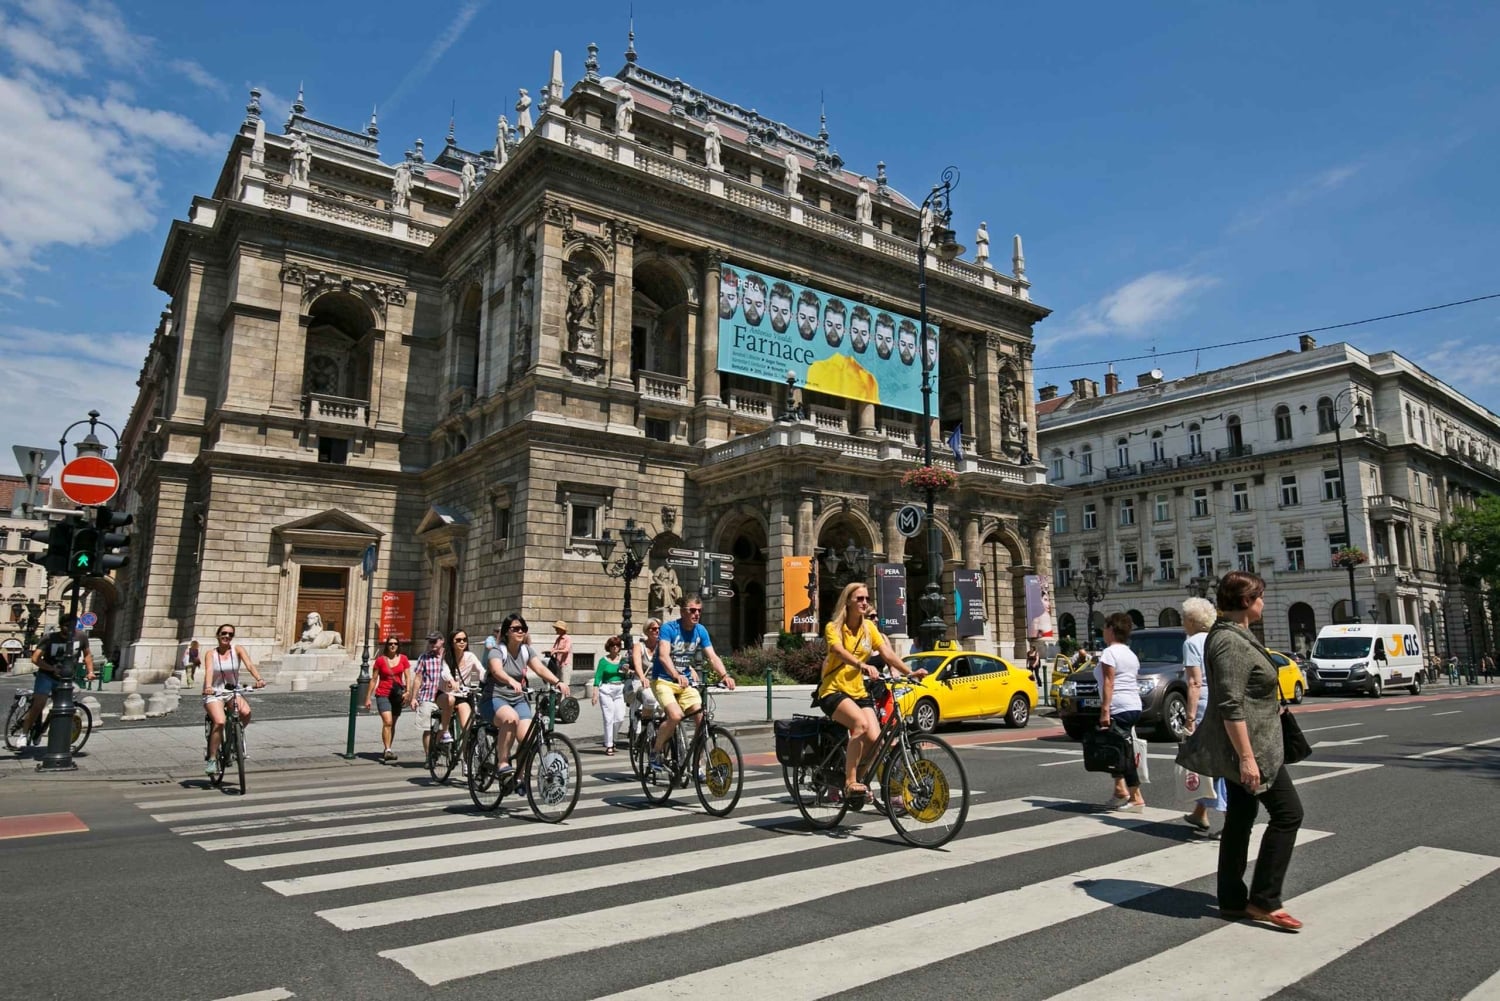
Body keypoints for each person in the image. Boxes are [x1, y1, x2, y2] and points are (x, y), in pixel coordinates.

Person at [1177, 571, 1305, 931]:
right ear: (1247, 601)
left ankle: (1233, 900)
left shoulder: (1236, 634)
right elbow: (1230, 704)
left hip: (1253, 742)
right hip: (1251, 748)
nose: (1263, 602)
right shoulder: (1229, 641)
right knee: (1288, 813)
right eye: (1260, 596)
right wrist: (1247, 758)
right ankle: (1264, 899)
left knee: (1240, 818)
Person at [816, 582, 923, 804]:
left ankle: (860, 782)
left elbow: (887, 654)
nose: (864, 602)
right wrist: (861, 665)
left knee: (876, 741)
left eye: (866, 598)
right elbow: (838, 650)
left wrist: (910, 672)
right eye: (859, 599)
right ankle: (850, 781)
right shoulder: (833, 627)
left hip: (858, 691)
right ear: (848, 601)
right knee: (860, 725)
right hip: (833, 690)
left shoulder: (869, 628)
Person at [649, 595, 736, 771]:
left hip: (685, 683)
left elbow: (712, 657)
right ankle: (655, 752)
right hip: (663, 680)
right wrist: (675, 674)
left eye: (699, 611)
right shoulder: (669, 628)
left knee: (702, 720)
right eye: (692, 610)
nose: (696, 614)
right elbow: (663, 656)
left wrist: (725, 675)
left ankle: (697, 763)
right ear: (683, 612)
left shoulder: (700, 630)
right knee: (675, 716)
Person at [483, 614, 568, 775]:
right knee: (511, 719)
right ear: (507, 631)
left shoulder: (525, 650)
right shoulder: (497, 650)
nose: (521, 631)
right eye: (516, 629)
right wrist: (510, 680)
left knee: (528, 737)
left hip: (518, 699)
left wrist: (557, 682)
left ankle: (519, 776)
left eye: (523, 628)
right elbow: (496, 670)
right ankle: (502, 763)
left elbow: (540, 668)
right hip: (495, 698)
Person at [11, 614, 95, 748]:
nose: (70, 629)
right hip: (46, 675)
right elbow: (35, 658)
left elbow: (87, 654)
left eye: (73, 626)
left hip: (66, 678)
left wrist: (90, 671)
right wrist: (52, 669)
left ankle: (44, 730)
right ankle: (24, 735)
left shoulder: (81, 637)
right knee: (39, 704)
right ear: (61, 626)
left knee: (64, 706)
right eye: (66, 626)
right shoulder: (49, 638)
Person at [1181, 596, 1227, 833]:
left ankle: (1230, 821)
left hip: (1204, 706)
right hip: (1222, 701)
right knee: (1214, 759)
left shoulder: (1191, 643)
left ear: (1191, 620)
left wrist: (1190, 718)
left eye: (1184, 618)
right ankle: (1200, 813)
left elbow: (1195, 682)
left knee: (1211, 763)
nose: (1182, 623)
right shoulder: (1216, 638)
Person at [1096, 612, 1145, 812]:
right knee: (1117, 748)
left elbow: (1109, 682)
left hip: (1118, 706)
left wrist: (1105, 710)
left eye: (1105, 627)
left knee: (1121, 753)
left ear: (1111, 629)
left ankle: (1135, 796)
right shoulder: (1130, 653)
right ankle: (1119, 790)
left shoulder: (1110, 653)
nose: (1103, 631)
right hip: (1133, 705)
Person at [202, 623, 265, 774]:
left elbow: (249, 665)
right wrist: (208, 686)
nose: (227, 636)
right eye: (224, 633)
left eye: (230, 634)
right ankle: (212, 759)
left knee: (246, 712)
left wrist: (259, 679)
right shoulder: (211, 654)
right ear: (218, 635)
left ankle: (233, 739)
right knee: (220, 721)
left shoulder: (237, 649)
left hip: (232, 691)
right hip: (215, 692)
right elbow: (209, 670)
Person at [363, 637, 410, 762]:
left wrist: (408, 691)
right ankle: (388, 750)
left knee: (392, 723)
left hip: (397, 695)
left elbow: (408, 676)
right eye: (390, 644)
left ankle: (388, 748)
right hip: (383, 693)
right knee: (387, 722)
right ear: (387, 646)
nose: (393, 646)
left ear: (398, 645)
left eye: (395, 643)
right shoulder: (380, 660)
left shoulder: (403, 659)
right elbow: (374, 679)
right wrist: (368, 698)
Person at [437, 628, 483, 745]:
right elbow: (445, 671)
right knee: (450, 699)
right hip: (445, 693)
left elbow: (480, 671)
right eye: (458, 640)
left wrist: (490, 678)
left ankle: (467, 753)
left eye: (464, 639)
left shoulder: (470, 656)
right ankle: (445, 731)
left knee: (467, 727)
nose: (462, 642)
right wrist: (451, 681)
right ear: (452, 642)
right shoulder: (446, 656)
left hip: (462, 695)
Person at [410, 632, 447, 759]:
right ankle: (428, 757)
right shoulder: (424, 657)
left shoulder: (449, 656)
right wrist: (414, 698)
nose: (431, 644)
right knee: (427, 729)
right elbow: (418, 678)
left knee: (446, 726)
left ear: (442, 641)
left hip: (446, 697)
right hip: (428, 696)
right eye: (430, 641)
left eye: (434, 641)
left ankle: (439, 747)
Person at [590, 635, 628, 756]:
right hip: (606, 689)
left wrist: (628, 671)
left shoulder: (623, 660)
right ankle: (609, 744)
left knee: (620, 717)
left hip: (620, 689)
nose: (615, 647)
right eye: (612, 645)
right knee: (608, 718)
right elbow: (598, 677)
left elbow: (629, 673)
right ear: (609, 647)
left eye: (617, 645)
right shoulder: (603, 661)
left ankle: (613, 738)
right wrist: (595, 694)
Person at [627, 618, 663, 741]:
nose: (657, 631)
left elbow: (672, 658)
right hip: (641, 681)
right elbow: (637, 664)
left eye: (659, 628)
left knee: (666, 706)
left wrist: (690, 668)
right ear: (647, 631)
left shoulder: (662, 645)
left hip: (657, 681)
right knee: (650, 699)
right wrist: (643, 678)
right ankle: (642, 733)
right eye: (654, 628)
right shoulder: (639, 646)